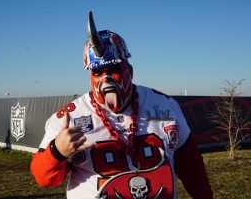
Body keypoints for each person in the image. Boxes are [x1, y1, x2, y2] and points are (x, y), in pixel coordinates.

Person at [31, 11, 213, 199]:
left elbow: (191, 166)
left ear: (130, 70)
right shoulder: (69, 119)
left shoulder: (165, 106)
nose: (106, 79)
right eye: (97, 72)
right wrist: (57, 152)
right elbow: (43, 179)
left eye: (114, 69)